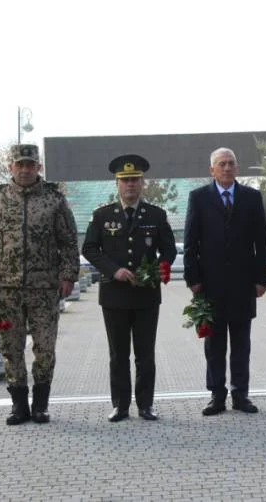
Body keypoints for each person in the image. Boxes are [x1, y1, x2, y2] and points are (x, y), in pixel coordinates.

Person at [0, 144, 79, 425]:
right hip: (6, 289)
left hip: (43, 289)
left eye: (30, 165)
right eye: (19, 164)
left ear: (38, 167)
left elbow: (68, 241)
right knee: (11, 348)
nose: (25, 169)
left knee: (45, 348)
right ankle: (19, 406)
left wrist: (68, 275)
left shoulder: (54, 199)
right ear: (11, 167)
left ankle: (41, 405)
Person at [82, 154, 177, 422]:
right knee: (118, 354)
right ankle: (120, 406)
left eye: (135, 180)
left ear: (142, 183)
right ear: (117, 184)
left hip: (146, 294)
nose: (130, 185)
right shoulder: (102, 215)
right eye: (125, 181)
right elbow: (89, 248)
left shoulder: (156, 215)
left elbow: (169, 249)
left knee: (145, 354)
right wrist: (114, 270)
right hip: (114, 295)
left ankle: (146, 404)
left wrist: (156, 268)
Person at [184, 147, 266, 416]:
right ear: (212, 170)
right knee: (215, 345)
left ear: (237, 167)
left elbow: (261, 242)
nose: (227, 168)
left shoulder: (252, 197)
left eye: (231, 163)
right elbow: (190, 243)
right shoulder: (198, 198)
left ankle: (241, 395)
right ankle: (216, 396)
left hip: (244, 284)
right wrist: (193, 279)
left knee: (241, 344)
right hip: (210, 285)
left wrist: (261, 279)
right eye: (221, 164)